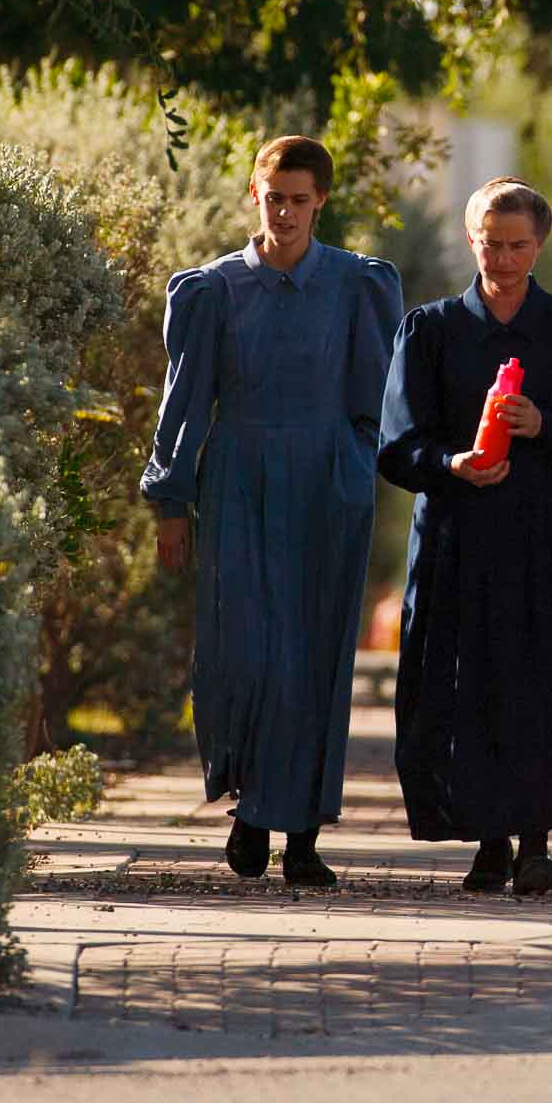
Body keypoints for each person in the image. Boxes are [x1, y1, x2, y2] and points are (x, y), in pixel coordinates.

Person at [142, 134, 402, 887]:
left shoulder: (358, 284)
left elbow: (376, 394)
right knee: (242, 652)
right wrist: (170, 498)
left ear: (321, 199)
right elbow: (184, 401)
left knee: (314, 659)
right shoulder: (214, 289)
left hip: (327, 481)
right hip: (238, 479)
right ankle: (252, 804)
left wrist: (356, 464)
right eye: (272, 196)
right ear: (253, 196)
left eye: (298, 198)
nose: (283, 212)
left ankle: (301, 836)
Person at [377, 178, 552, 895]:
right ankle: (485, 839)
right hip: (464, 539)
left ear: (540, 244)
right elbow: (397, 444)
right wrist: (452, 463)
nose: (504, 258)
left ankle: (536, 840)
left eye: (518, 244)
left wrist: (544, 425)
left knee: (544, 681)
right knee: (468, 686)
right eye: (491, 243)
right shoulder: (430, 331)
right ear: (471, 240)